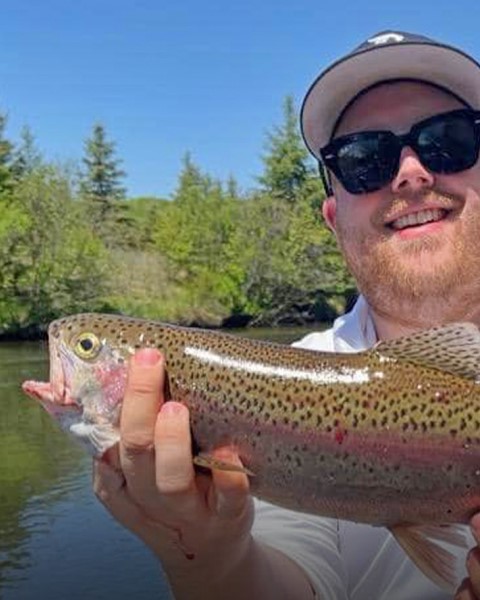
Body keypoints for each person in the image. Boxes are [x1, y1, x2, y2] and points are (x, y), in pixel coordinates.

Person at [93, 30, 480, 599]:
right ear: (333, 218)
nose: (411, 172)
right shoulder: (294, 384)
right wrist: (210, 559)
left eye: (448, 140)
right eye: (363, 159)